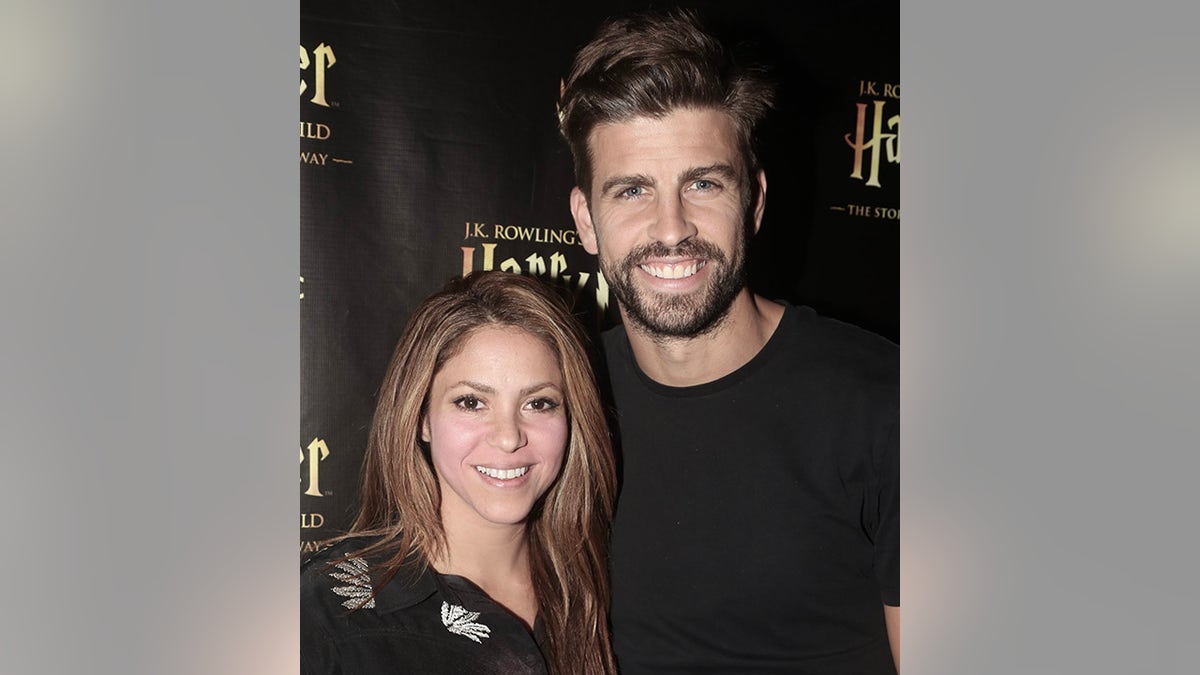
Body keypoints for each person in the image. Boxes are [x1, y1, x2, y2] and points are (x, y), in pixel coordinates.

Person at [559, 10, 900, 674]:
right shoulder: (556, 404)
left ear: (755, 201)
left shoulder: (884, 404)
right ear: (586, 221)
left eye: (703, 184)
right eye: (633, 190)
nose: (671, 228)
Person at [300, 271, 618, 675]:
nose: (508, 437)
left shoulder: (598, 592)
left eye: (539, 403)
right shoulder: (325, 614)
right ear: (421, 418)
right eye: (471, 402)